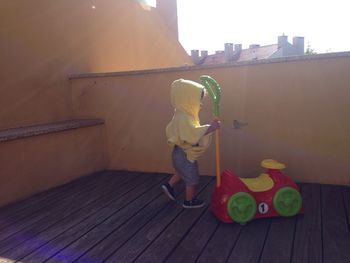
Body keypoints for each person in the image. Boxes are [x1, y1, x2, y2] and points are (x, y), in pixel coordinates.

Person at [162, 78, 220, 208]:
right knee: (191, 179)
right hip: (184, 154)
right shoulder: (185, 118)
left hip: (177, 152)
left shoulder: (179, 114)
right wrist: (211, 127)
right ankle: (189, 201)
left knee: (180, 172)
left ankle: (168, 185)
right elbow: (192, 133)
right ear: (187, 100)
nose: (200, 104)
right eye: (198, 100)